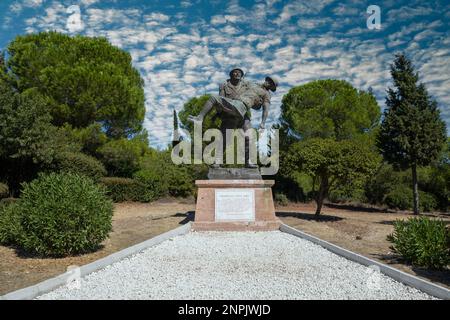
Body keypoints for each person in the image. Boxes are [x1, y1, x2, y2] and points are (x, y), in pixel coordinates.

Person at [188, 75, 278, 168]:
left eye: (271, 83)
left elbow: (265, 109)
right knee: (226, 137)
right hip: (234, 107)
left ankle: (249, 162)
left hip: (241, 108)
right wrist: (226, 84)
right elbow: (238, 83)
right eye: (268, 80)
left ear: (272, 88)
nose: (268, 82)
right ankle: (217, 162)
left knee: (249, 135)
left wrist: (263, 123)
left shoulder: (266, 94)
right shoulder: (253, 83)